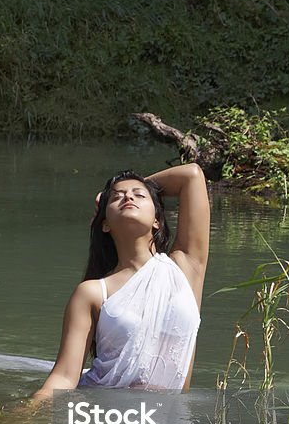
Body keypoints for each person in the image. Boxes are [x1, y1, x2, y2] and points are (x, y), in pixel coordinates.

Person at [32, 162, 210, 400]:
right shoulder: (93, 292)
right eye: (117, 198)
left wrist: (132, 187)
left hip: (167, 421)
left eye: (139, 196)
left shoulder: (185, 268)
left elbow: (191, 175)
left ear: (157, 221)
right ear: (105, 224)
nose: (128, 197)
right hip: (104, 415)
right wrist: (28, 411)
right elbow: (64, 377)